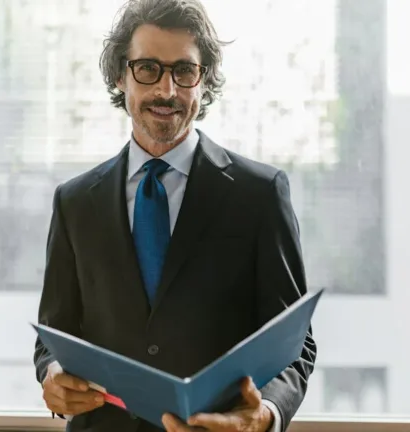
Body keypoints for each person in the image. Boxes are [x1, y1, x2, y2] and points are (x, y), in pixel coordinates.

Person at [32, 0, 317, 431]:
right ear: (120, 75)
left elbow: (296, 345)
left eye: (184, 71)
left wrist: (264, 415)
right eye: (148, 68)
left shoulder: (260, 194)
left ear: (204, 82)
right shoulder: (74, 202)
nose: (166, 91)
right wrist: (50, 374)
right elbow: (53, 336)